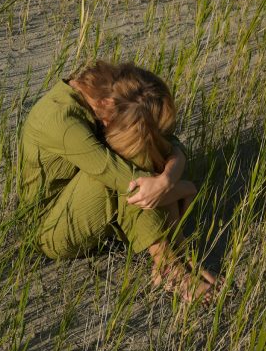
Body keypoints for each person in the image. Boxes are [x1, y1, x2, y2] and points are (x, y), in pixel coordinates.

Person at [16, 60, 219, 304]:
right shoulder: (61, 121)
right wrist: (182, 187)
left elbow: (171, 143)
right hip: (50, 230)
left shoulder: (111, 89)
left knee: (138, 147)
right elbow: (128, 182)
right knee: (125, 176)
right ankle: (169, 266)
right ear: (108, 105)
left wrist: (167, 180)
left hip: (83, 203)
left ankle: (179, 253)